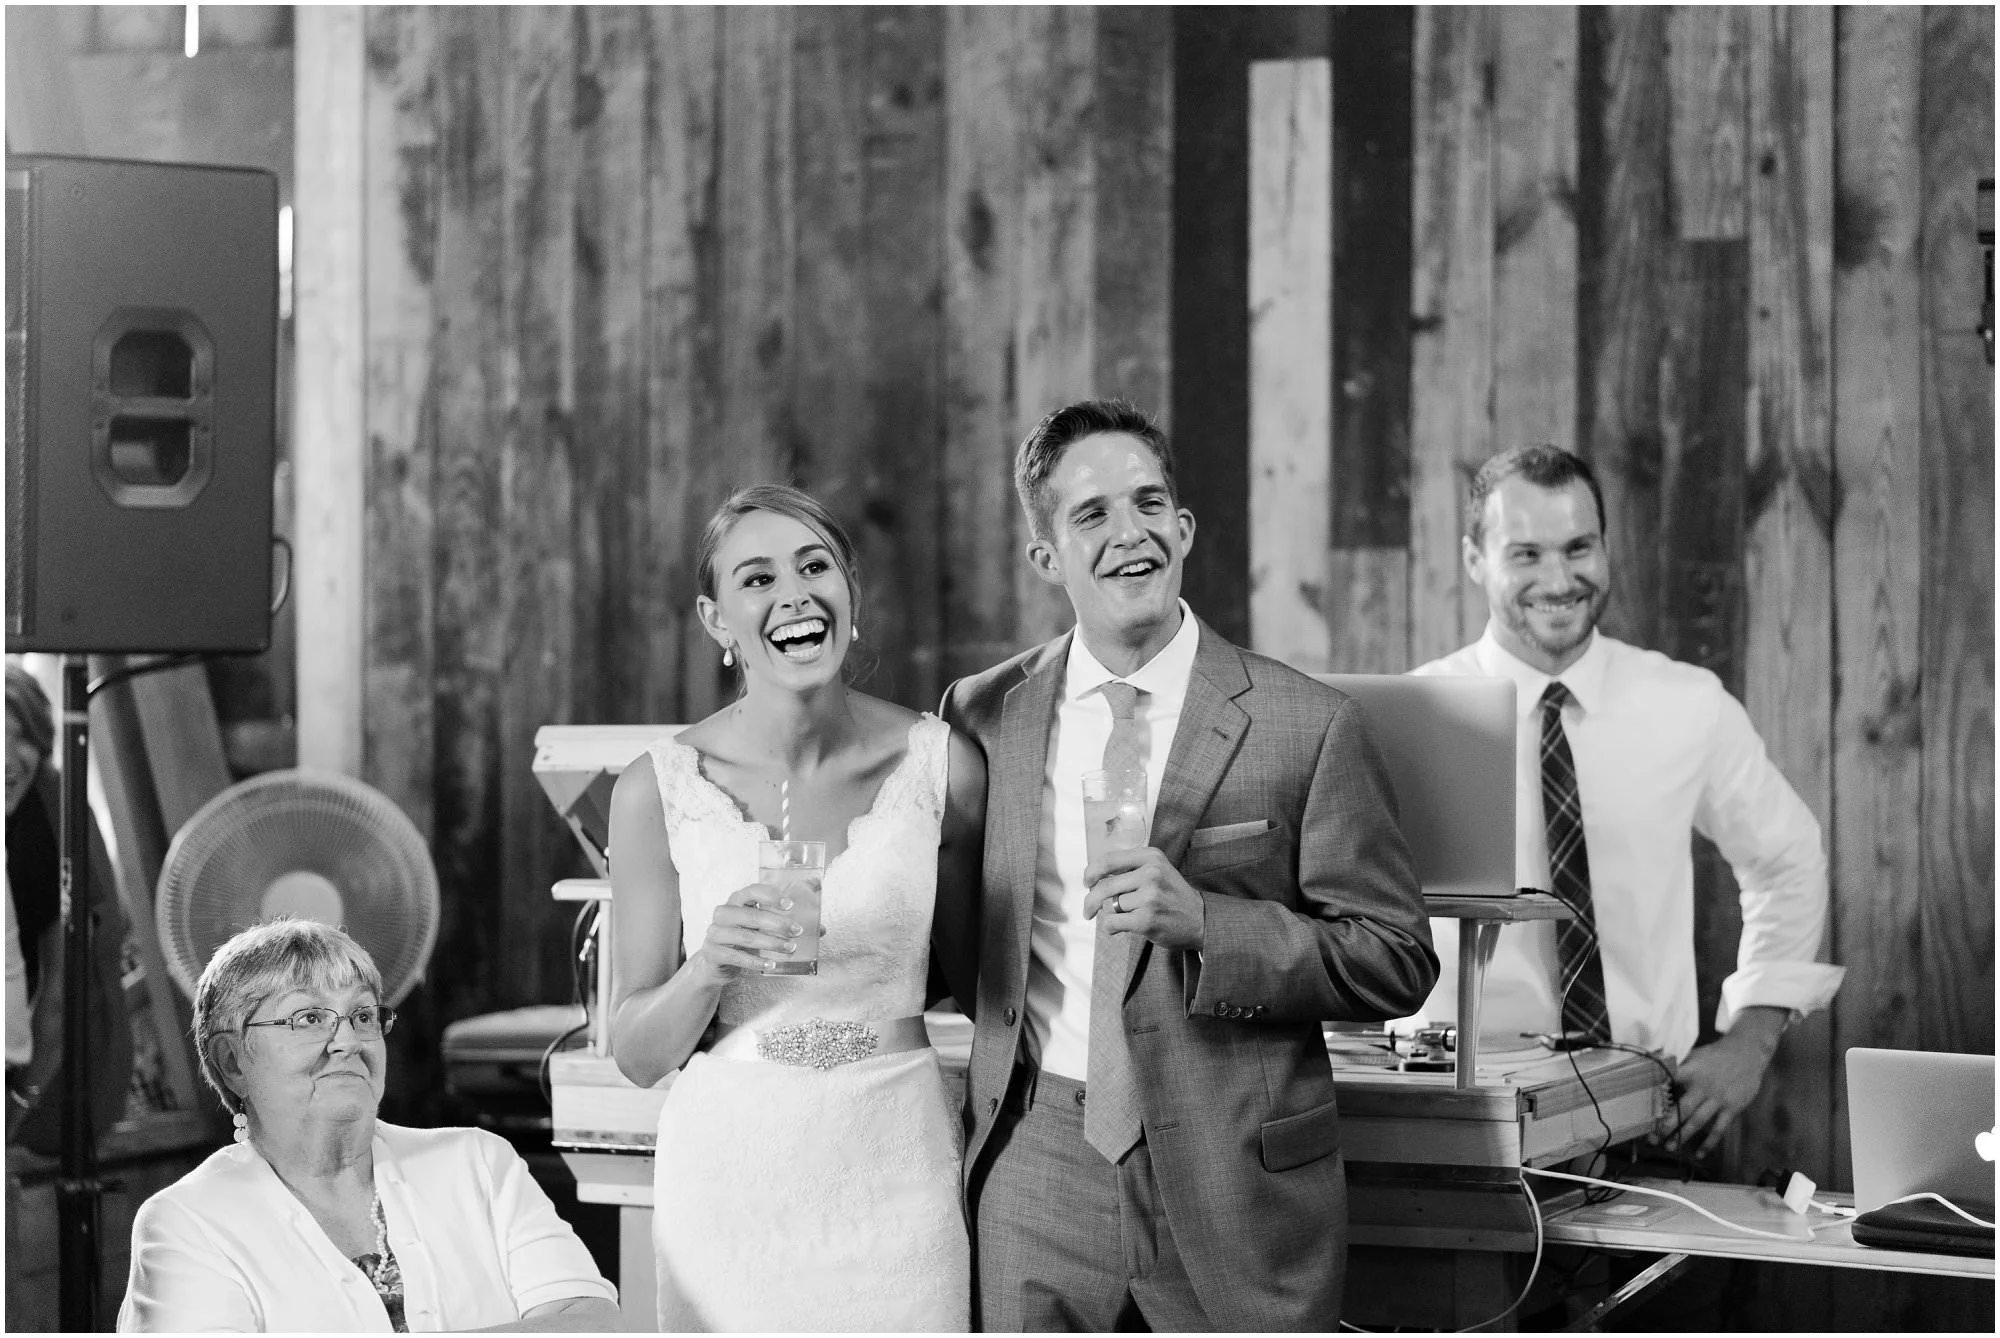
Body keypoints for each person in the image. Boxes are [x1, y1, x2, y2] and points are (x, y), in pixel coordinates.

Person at [941, 399, 1438, 1330]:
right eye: (1092, 514)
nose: (1130, 533)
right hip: (1033, 1164)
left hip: (1235, 1178)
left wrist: (1210, 926)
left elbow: (1396, 958)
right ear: (1046, 556)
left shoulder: (1311, 725)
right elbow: (959, 935)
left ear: (1184, 528)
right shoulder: (981, 713)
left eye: (1148, 503)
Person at [608, 483, 986, 1331]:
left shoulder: (943, 767)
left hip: (899, 1164)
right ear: (717, 621)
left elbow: (979, 986)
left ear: (849, 591)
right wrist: (707, 967)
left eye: (815, 567)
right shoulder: (656, 789)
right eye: (758, 579)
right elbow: (635, 1053)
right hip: (731, 1183)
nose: (794, 595)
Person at [1409, 444, 1842, 1157]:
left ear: (1606, 549)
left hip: (1650, 1116)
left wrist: (1752, 1040)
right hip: (1458, 1123)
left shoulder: (1688, 704)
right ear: (1474, 559)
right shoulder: (1415, 716)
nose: (1559, 579)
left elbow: (1788, 860)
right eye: (1526, 554)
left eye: (1578, 548)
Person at [118, 918, 618, 1332]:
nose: (348, 1041)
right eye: (309, 1018)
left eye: (362, 1015)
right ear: (232, 1062)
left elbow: (594, 1323)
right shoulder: (188, 1222)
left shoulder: (479, 1163)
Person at [5, 661, 132, 1150]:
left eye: (23, 736)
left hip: (60, 1080)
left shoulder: (51, 816)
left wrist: (17, 1106)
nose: (9, 758)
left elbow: (62, 993)